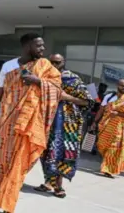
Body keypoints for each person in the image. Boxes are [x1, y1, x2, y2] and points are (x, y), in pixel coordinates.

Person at [0, 33, 62, 213]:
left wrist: (38, 81)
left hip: (29, 123)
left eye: (43, 45)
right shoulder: (8, 66)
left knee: (19, 162)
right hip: (6, 119)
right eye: (39, 46)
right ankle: (2, 191)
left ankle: (8, 202)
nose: (43, 49)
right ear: (27, 46)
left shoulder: (45, 66)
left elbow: (56, 88)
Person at [35, 54, 93, 198]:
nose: (54, 65)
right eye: (52, 62)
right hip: (46, 121)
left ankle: (58, 186)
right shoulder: (44, 77)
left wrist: (66, 97)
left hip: (67, 124)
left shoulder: (73, 79)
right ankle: (49, 182)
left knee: (61, 153)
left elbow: (87, 101)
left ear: (64, 62)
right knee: (46, 153)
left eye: (58, 62)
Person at [91, 79, 124, 178]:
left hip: (121, 128)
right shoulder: (109, 96)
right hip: (106, 126)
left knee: (114, 148)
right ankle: (106, 164)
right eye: (122, 86)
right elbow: (101, 110)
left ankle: (108, 169)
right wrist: (95, 122)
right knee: (102, 145)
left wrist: (118, 114)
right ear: (117, 86)